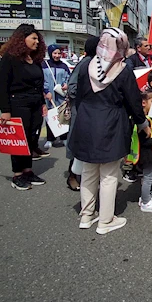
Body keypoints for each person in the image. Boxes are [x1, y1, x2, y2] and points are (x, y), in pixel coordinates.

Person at [69, 27, 148, 235]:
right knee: (109, 174)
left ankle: (86, 215)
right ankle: (106, 220)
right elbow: (133, 101)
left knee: (88, 171)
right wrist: (142, 123)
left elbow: (78, 96)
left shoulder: (86, 64)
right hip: (111, 124)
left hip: (86, 121)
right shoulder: (122, 69)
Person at [0, 24, 49, 191]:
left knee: (32, 138)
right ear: (22, 39)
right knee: (20, 139)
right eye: (33, 38)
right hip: (18, 103)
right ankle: (17, 174)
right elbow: (1, 85)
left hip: (35, 103)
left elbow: (39, 85)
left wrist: (42, 103)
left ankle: (28, 171)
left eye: (37, 39)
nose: (37, 42)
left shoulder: (34, 60)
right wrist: (5, 110)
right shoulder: (10, 58)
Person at [64, 35, 99, 191]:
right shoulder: (85, 64)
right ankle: (72, 176)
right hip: (81, 110)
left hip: (92, 112)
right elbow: (72, 89)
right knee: (77, 143)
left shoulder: (97, 64)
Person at [42, 44, 71, 148]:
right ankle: (50, 139)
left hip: (61, 96)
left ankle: (63, 138)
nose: (57, 55)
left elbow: (68, 78)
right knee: (50, 118)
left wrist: (66, 85)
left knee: (63, 117)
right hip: (49, 97)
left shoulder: (64, 66)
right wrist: (45, 91)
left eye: (59, 53)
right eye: (55, 53)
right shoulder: (44, 65)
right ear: (50, 53)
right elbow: (41, 80)